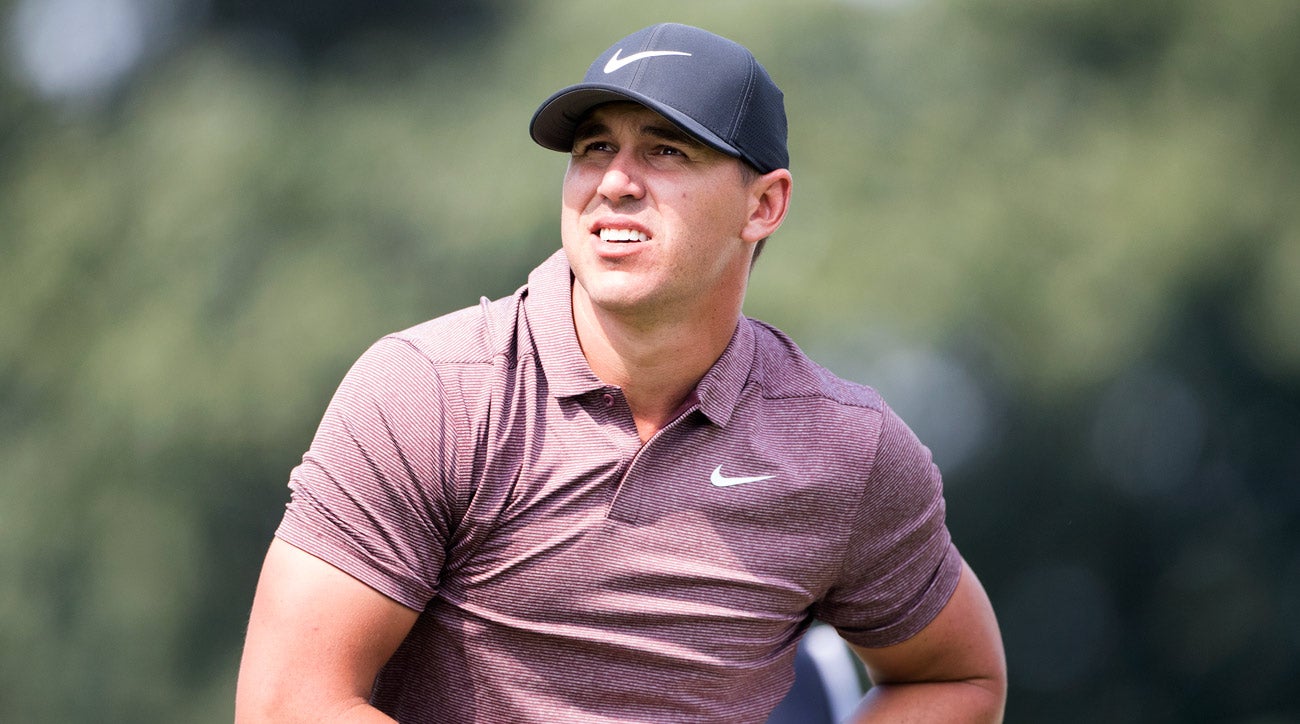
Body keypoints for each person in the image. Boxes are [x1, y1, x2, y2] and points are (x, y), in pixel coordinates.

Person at [236, 22, 1006, 723]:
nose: (614, 182)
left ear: (764, 205)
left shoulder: (844, 447)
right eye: (594, 148)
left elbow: (958, 679)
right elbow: (285, 703)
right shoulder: (434, 391)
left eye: (666, 150)